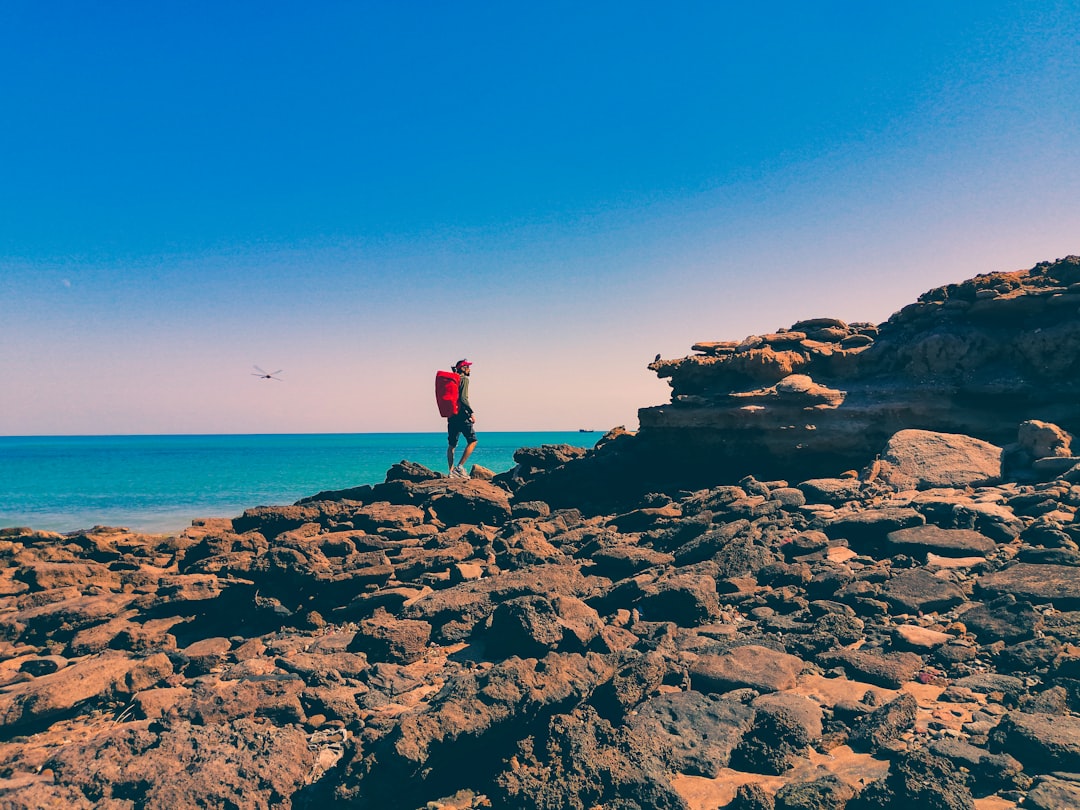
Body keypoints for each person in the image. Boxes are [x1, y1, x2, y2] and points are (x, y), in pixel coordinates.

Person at [446, 359, 477, 478]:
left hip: (452, 416)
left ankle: (451, 472)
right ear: (463, 368)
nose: (470, 369)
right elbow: (463, 398)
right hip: (462, 416)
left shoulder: (453, 380)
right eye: (468, 367)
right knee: (473, 441)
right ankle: (459, 467)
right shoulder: (464, 379)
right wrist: (471, 413)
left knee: (452, 445)